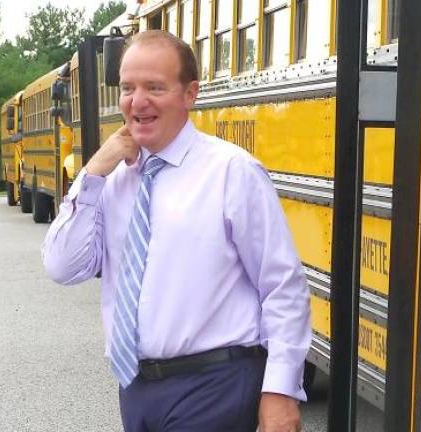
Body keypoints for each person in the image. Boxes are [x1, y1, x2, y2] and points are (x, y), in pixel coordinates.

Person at [42, 30, 310, 432]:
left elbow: (282, 286)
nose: (138, 101)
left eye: (155, 87)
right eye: (128, 88)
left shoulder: (231, 173)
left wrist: (280, 392)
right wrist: (94, 170)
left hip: (215, 386)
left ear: (190, 94)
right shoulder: (113, 181)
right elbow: (63, 266)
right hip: (137, 390)